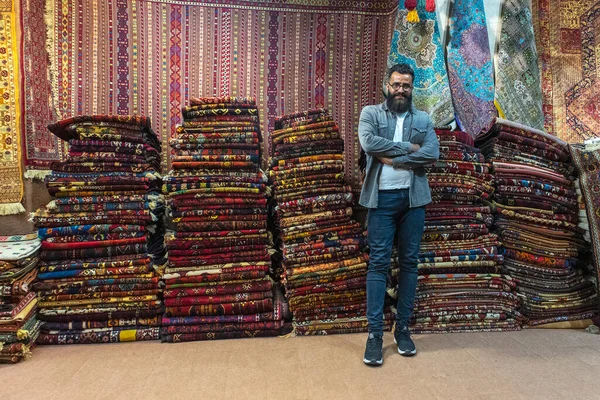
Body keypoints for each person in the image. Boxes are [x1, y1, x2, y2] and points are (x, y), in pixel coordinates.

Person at [357, 63, 439, 366]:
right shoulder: (371, 114)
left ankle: (402, 329)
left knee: (409, 264)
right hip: (380, 200)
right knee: (378, 264)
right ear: (386, 85)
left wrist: (395, 159)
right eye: (396, 84)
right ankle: (375, 335)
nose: (400, 90)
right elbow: (369, 143)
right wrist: (408, 147)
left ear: (412, 87)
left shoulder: (423, 118)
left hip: (413, 201)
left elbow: (432, 153)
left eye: (405, 85)